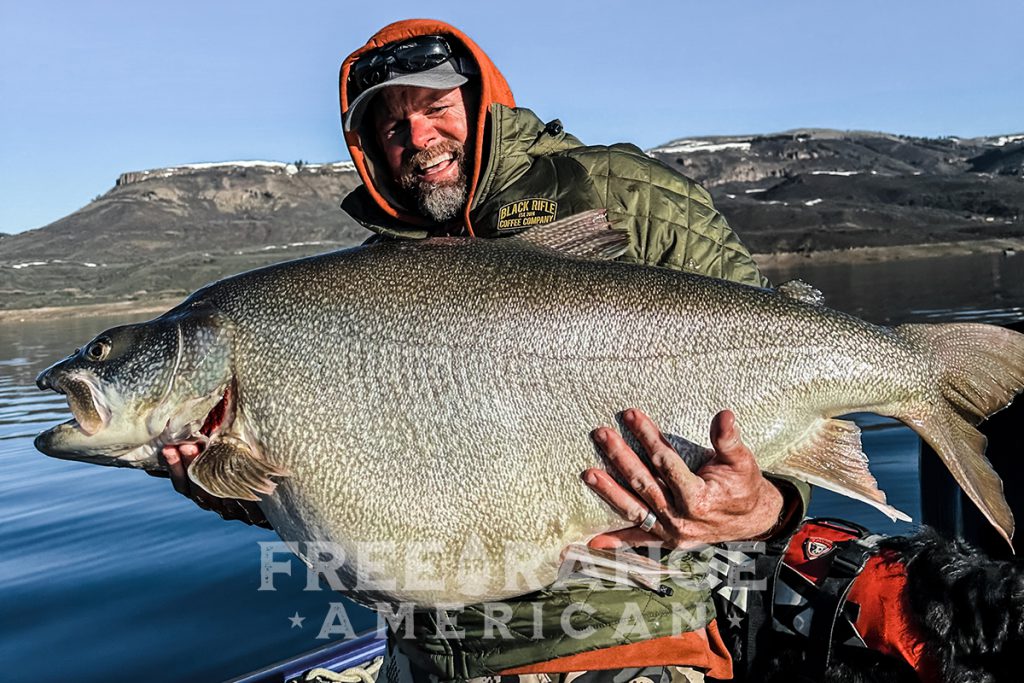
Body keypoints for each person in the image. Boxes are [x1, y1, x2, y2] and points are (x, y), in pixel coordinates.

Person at [160, 18, 809, 682]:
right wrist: (218, 478)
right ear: (371, 152)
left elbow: (784, 366)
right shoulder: (358, 296)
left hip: (628, 641)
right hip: (429, 657)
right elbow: (342, 490)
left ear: (480, 100)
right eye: (391, 127)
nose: (418, 137)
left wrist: (768, 504)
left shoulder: (625, 196)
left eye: (435, 107)